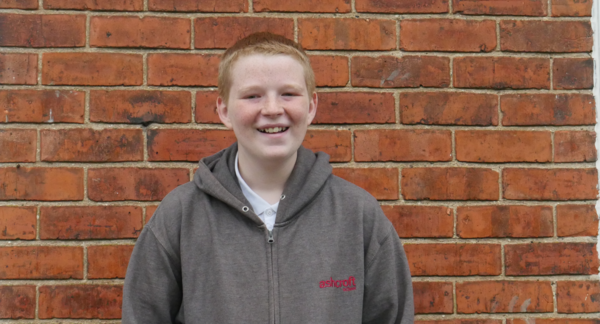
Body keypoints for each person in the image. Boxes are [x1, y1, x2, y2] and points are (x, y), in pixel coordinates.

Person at [122, 32, 414, 324]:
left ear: (311, 106)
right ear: (224, 110)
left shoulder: (358, 215)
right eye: (252, 96)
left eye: (288, 93)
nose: (273, 109)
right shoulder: (181, 216)